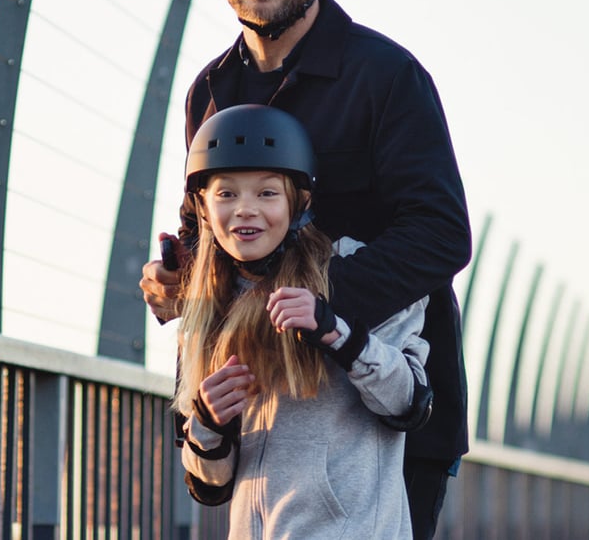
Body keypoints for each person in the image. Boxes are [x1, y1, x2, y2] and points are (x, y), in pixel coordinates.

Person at [141, 0, 471, 540]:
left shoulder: (385, 75)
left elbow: (440, 232)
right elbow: (204, 226)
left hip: (384, 406)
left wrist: (311, 309)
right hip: (264, 417)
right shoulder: (209, 89)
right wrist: (179, 280)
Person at [176, 103, 431, 539]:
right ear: (203, 205)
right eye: (226, 193)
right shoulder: (207, 305)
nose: (245, 209)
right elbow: (210, 485)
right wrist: (207, 422)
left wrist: (338, 335)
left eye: (267, 193)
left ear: (300, 202)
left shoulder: (355, 270)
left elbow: (411, 402)